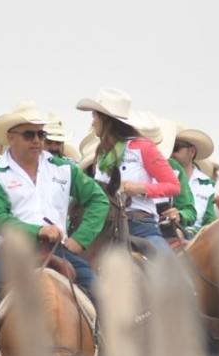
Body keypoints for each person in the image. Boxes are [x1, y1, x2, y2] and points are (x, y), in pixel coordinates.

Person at [0, 103, 109, 318]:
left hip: (57, 249)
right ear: (11, 137)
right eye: (29, 135)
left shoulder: (64, 168)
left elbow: (98, 200)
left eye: (41, 134)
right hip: (12, 254)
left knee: (103, 300)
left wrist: (80, 239)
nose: (37, 140)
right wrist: (37, 231)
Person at [76, 89, 180, 255]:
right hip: (102, 224)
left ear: (105, 119)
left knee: (169, 267)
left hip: (139, 223)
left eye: (94, 116)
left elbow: (173, 186)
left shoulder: (143, 148)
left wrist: (139, 188)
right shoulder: (102, 153)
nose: (93, 122)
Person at [169, 123, 218, 230]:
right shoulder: (159, 175)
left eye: (175, 148)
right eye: (169, 147)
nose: (171, 153)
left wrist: (193, 234)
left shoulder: (209, 185)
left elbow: (210, 223)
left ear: (192, 151)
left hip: (196, 237)